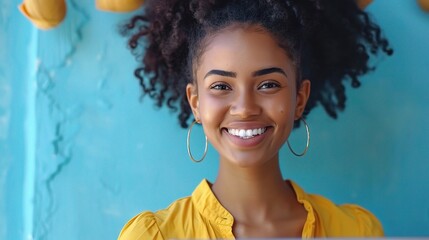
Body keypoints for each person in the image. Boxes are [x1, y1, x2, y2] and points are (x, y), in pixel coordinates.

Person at [118, 0, 393, 239]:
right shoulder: (154, 236)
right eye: (221, 86)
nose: (245, 108)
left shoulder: (355, 231)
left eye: (268, 85)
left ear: (299, 99)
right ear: (196, 102)